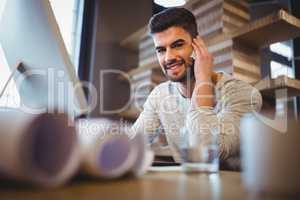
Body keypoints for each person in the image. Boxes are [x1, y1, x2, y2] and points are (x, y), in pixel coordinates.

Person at [132, 7, 262, 169]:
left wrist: (203, 79)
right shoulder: (160, 95)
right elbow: (132, 142)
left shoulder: (245, 95)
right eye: (161, 50)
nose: (168, 57)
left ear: (197, 45)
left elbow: (207, 152)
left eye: (177, 45)